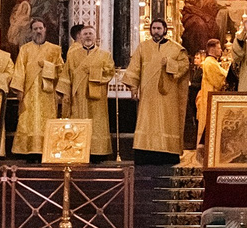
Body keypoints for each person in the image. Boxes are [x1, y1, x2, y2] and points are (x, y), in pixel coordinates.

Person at [130, 19, 193, 163]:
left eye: (159, 28)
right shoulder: (142, 47)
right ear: (150, 30)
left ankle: (168, 153)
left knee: (167, 121)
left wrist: (170, 64)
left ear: (165, 30)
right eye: (154, 28)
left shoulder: (176, 49)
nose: (156, 31)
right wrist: (133, 87)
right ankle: (145, 152)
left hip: (168, 94)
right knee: (146, 120)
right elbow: (134, 67)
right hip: (148, 94)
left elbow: (184, 66)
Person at [9, 19, 66, 157]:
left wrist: (47, 66)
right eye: (35, 29)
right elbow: (19, 70)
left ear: (45, 29)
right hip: (29, 92)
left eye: (40, 28)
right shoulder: (25, 49)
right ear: (31, 31)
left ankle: (47, 149)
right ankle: (27, 151)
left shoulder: (54, 49)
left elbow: (61, 70)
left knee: (46, 119)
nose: (38, 31)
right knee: (28, 120)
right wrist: (19, 90)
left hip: (47, 92)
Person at [61, 24, 117, 159]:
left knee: (97, 123)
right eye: (85, 34)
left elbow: (110, 72)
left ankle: (98, 153)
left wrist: (93, 73)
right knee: (79, 120)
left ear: (95, 36)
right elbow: (66, 75)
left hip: (96, 97)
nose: (87, 36)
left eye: (90, 34)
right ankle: (78, 150)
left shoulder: (105, 55)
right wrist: (65, 94)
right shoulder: (73, 55)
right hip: (78, 96)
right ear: (80, 37)